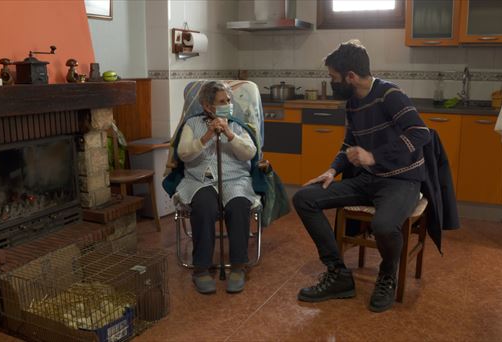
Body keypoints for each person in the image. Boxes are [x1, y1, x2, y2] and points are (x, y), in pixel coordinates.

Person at [293, 40, 431, 313]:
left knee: (383, 226)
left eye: (333, 77)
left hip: (402, 180)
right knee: (304, 198)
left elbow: (420, 133)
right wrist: (333, 170)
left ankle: (387, 275)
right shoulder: (353, 104)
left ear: (351, 76)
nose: (331, 83)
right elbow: (348, 145)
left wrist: (374, 156)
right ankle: (338, 274)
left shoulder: (389, 94)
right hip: (369, 181)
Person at [175, 81, 259, 294]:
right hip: (200, 180)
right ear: (207, 106)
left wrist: (230, 134)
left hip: (235, 179)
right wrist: (206, 136)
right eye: (222, 101)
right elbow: (183, 153)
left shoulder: (238, 124)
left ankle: (238, 267)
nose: (228, 104)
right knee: (204, 207)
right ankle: (201, 269)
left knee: (239, 205)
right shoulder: (192, 124)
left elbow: (249, 153)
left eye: (229, 101)